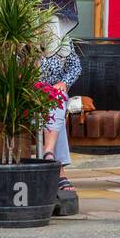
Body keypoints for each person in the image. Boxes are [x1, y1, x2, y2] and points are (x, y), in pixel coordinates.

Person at [39, 15, 81, 196]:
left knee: (56, 98)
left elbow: (75, 66)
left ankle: (49, 153)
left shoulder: (62, 39)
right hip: (30, 91)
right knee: (57, 111)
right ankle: (59, 170)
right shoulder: (23, 40)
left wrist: (64, 82)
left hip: (54, 92)